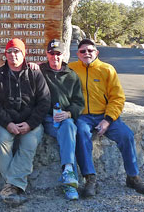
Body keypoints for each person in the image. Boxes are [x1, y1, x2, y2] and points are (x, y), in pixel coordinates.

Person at [69, 38, 144, 197]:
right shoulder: (71, 69)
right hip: (83, 116)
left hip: (105, 116)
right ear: (77, 54)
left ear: (96, 52)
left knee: (126, 135)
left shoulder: (107, 69)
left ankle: (133, 177)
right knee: (82, 134)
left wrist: (108, 120)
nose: (86, 53)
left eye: (90, 50)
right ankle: (90, 178)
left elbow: (117, 98)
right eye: (82, 51)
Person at [0, 38, 50, 206]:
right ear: (5, 54)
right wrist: (8, 123)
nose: (13, 55)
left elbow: (44, 101)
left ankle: (9, 187)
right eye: (9, 51)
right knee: (3, 143)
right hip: (6, 122)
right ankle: (14, 187)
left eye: (17, 51)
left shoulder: (35, 73)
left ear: (24, 54)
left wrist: (30, 123)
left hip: (30, 122)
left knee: (29, 144)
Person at [39, 39, 84, 200]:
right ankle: (70, 175)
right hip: (43, 118)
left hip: (63, 118)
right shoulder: (39, 71)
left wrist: (69, 113)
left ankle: (68, 172)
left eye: (58, 54)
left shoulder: (71, 76)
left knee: (69, 126)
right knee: (68, 129)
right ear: (47, 54)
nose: (55, 57)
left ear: (63, 55)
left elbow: (79, 103)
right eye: (51, 53)